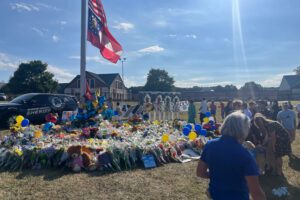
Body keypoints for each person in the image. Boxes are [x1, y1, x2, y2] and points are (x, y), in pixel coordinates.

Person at [197, 111, 266, 200]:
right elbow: (256, 194)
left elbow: (200, 173)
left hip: (215, 195)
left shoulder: (210, 145)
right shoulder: (245, 155)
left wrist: (219, 175)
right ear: (243, 129)